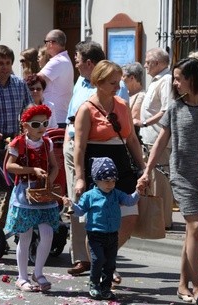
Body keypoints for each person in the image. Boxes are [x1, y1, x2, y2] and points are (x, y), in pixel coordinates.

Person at [137, 58, 198, 303]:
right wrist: (147, 170)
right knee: (196, 227)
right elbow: (161, 141)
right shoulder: (176, 107)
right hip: (183, 175)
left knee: (193, 232)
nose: (175, 83)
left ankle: (181, 284)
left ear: (194, 78)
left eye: (179, 78)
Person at [73, 60, 145, 286]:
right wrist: (80, 177)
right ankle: (101, 264)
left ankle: (107, 258)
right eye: (113, 82)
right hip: (97, 164)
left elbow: (132, 138)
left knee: (130, 216)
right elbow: (79, 146)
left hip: (122, 165)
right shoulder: (86, 108)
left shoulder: (122, 104)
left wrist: (143, 167)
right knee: (99, 221)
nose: (118, 86)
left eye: (119, 81)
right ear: (99, 82)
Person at [65, 41, 128, 277]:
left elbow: (122, 123)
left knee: (102, 204)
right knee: (79, 200)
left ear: (89, 63)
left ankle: (102, 256)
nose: (76, 62)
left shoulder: (114, 87)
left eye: (78, 59)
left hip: (99, 151)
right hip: (73, 142)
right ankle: (83, 258)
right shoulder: (79, 82)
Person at [64, 157, 139, 300]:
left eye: (113, 181)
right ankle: (94, 284)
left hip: (112, 234)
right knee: (98, 260)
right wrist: (72, 205)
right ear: (97, 180)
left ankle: (106, 286)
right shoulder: (89, 196)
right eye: (106, 181)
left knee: (110, 263)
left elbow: (130, 201)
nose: (110, 184)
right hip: (95, 234)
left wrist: (138, 191)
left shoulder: (117, 194)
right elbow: (80, 211)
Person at [4, 104, 60, 292]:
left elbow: (55, 166)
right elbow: (10, 167)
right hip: (24, 193)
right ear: (25, 125)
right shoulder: (17, 144)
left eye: (45, 123)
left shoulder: (47, 143)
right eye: (36, 124)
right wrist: (32, 170)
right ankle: (21, 277)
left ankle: (38, 272)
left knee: (47, 233)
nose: (42, 127)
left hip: (43, 195)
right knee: (25, 235)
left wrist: (49, 182)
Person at [0, 45, 33, 230]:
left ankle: (4, 226)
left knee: (12, 187)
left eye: (8, 63)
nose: (5, 67)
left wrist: (30, 129)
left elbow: (29, 110)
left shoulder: (19, 84)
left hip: (12, 144)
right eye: (0, 63)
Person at [140, 47, 173, 229]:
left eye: (148, 62)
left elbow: (166, 110)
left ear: (158, 63)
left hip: (158, 137)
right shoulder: (156, 80)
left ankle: (164, 221)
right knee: (151, 179)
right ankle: (154, 219)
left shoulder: (166, 80)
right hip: (149, 138)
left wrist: (144, 123)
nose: (145, 65)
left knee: (160, 181)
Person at [38, 29, 74, 128]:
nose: (45, 46)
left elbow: (35, 80)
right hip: (59, 116)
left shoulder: (57, 61)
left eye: (45, 42)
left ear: (51, 43)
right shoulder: (64, 59)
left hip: (54, 118)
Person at [122, 62, 146, 141]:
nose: (121, 79)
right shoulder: (125, 93)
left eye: (123, 76)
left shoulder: (141, 96)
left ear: (132, 78)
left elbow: (133, 117)